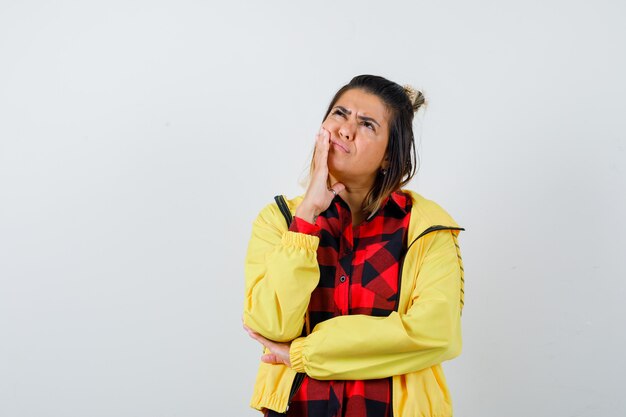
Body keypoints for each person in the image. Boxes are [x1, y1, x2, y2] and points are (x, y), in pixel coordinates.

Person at [242, 74, 465, 417]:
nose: (346, 130)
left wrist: (305, 354)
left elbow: (436, 333)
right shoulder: (280, 220)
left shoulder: (426, 228)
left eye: (367, 124)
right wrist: (306, 217)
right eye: (339, 114)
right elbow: (270, 326)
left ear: (390, 157)